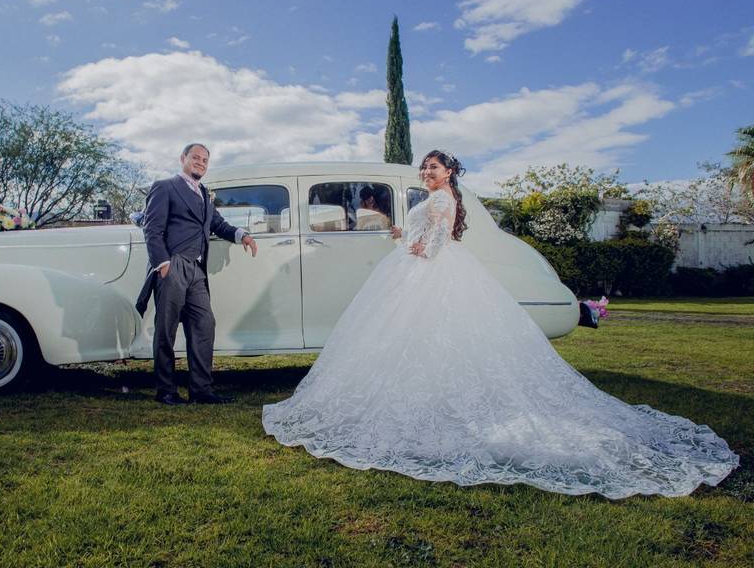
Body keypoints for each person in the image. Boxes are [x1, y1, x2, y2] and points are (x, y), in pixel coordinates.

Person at [262, 150, 738, 499]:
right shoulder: (435, 197)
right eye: (424, 168)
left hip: (426, 272)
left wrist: (415, 249)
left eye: (434, 167)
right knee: (417, 339)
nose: (428, 172)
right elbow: (425, 229)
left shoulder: (443, 198)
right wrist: (402, 233)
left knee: (416, 334)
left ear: (450, 172)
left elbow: (440, 238)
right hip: (418, 268)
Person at [140, 143, 258, 405]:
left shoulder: (204, 194)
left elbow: (218, 224)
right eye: (196, 157)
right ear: (183, 158)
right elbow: (152, 229)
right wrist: (163, 263)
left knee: (204, 325)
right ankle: (166, 391)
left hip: (197, 270)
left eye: (205, 160)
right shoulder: (165, 186)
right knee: (166, 329)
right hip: (174, 264)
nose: (201, 163)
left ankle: (201, 390)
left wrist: (243, 235)